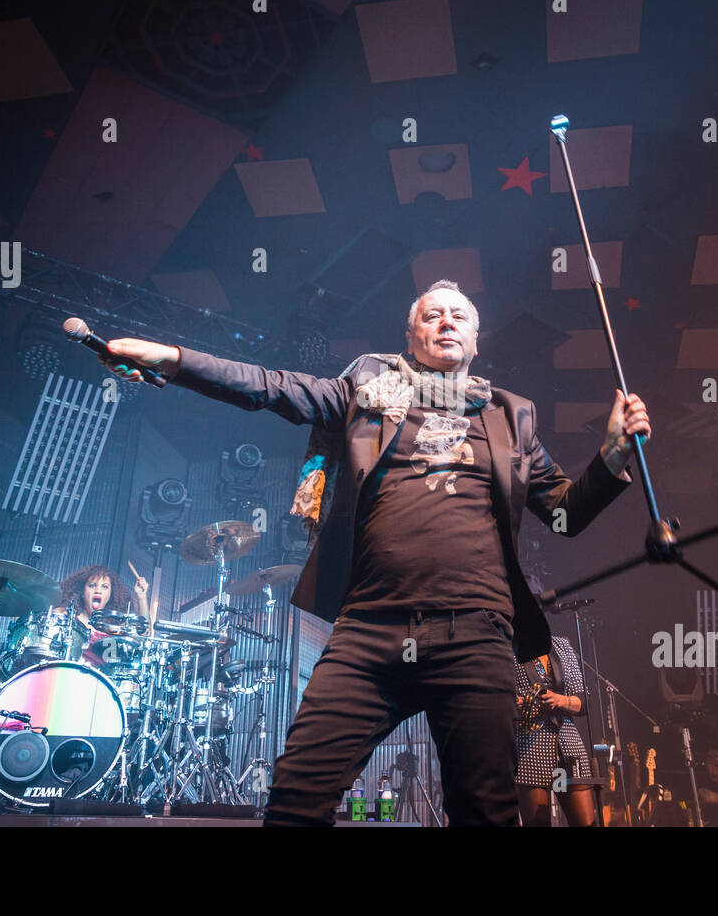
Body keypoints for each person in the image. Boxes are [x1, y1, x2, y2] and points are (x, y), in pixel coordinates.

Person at [100, 280, 651, 826]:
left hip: (477, 633)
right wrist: (171, 359)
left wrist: (609, 458)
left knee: (485, 812)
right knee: (295, 800)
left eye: (459, 316)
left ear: (477, 341)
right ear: (411, 337)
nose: (446, 322)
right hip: (370, 629)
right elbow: (268, 386)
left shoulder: (511, 417)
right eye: (432, 315)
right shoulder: (363, 396)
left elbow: (563, 514)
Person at [513, 633, 595, 826]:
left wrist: (561, 700)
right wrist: (521, 703)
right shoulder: (509, 648)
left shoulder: (561, 645)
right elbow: (500, 695)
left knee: (586, 822)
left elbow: (583, 701)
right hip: (529, 745)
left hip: (568, 744)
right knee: (537, 822)